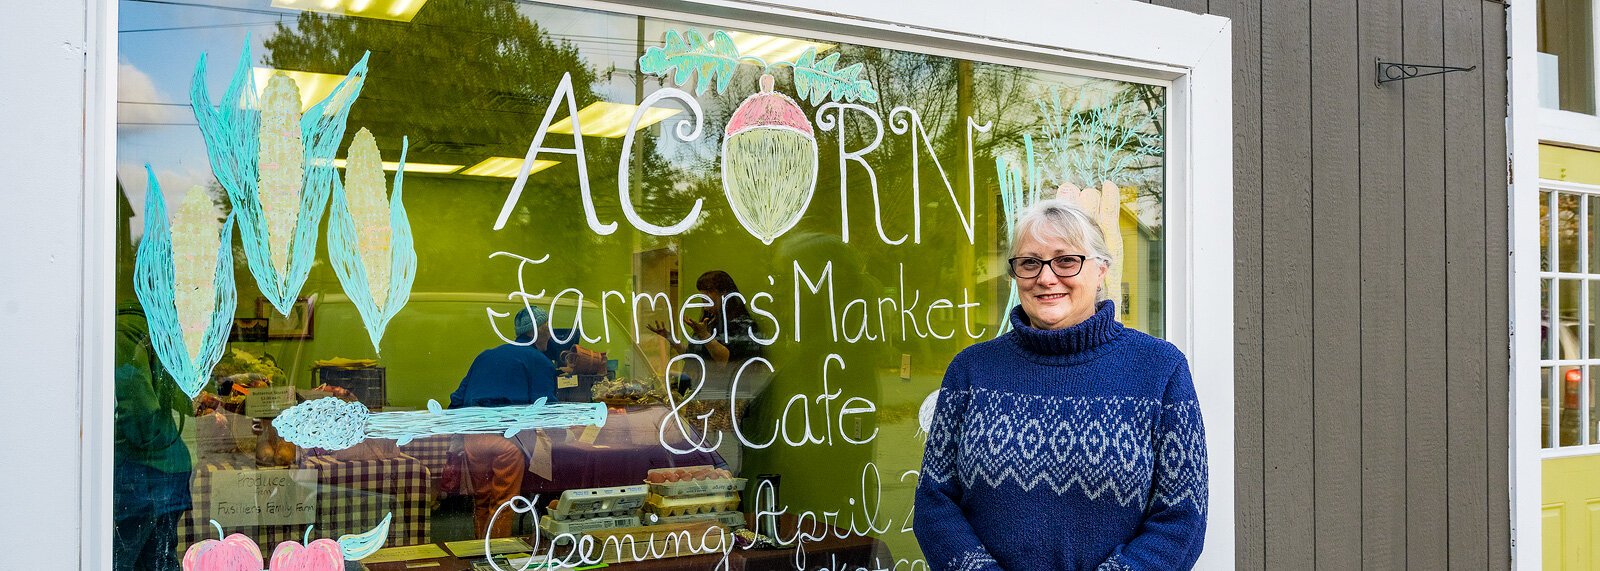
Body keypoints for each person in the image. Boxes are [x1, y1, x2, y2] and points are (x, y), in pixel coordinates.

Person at [914, 198, 1208, 571]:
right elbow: (934, 500)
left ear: (1101, 270)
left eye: (1066, 260)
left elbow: (1183, 517)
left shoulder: (1160, 370)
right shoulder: (971, 371)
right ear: (1015, 274)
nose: (1046, 277)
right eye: (1029, 263)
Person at [450, 306, 559, 538]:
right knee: (502, 503)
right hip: (508, 443)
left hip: (475, 439)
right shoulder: (539, 361)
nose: (551, 334)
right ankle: (497, 555)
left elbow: (457, 400)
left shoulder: (485, 356)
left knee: (482, 500)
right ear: (535, 331)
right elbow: (547, 408)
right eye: (547, 329)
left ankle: (480, 552)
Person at [113, 303, 193, 571]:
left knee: (123, 561)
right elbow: (185, 401)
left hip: (144, 473)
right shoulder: (158, 329)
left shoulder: (124, 330)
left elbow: (139, 413)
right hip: (169, 465)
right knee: (159, 561)